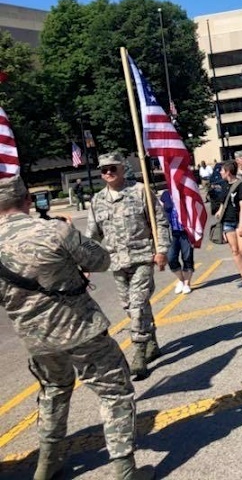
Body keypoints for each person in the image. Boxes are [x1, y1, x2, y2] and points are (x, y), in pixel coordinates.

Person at [0, 176, 154, 480]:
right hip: (81, 329)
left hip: (36, 339)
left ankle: (47, 464)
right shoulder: (55, 229)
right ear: (28, 201)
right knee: (115, 393)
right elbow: (101, 260)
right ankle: (124, 471)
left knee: (54, 391)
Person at [86, 153, 170, 381]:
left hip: (142, 258)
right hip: (116, 262)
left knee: (137, 304)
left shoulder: (140, 191)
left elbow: (160, 222)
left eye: (112, 168)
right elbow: (92, 235)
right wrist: (85, 260)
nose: (108, 173)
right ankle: (151, 340)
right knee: (130, 305)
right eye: (104, 170)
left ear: (122, 168)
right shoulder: (97, 200)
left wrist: (161, 250)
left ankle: (139, 351)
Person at [160, 189, 194, 294]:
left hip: (185, 232)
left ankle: (187, 283)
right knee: (171, 258)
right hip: (171, 232)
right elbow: (160, 212)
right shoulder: (165, 195)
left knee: (187, 257)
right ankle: (181, 280)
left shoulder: (186, 192)